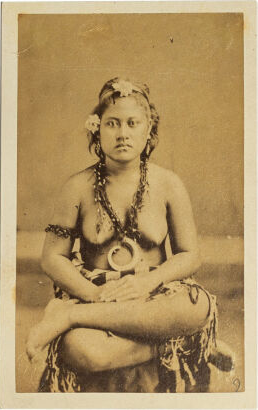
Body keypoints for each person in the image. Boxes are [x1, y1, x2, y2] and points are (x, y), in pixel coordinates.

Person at [26, 78, 233, 393]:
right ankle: (185, 343)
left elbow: (190, 255)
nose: (122, 133)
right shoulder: (77, 187)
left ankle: (70, 316)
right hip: (95, 293)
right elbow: (52, 257)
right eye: (112, 123)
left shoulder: (169, 184)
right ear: (97, 129)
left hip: (154, 294)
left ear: (148, 129)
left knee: (197, 306)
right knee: (81, 351)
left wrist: (148, 282)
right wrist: (93, 296)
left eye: (132, 123)